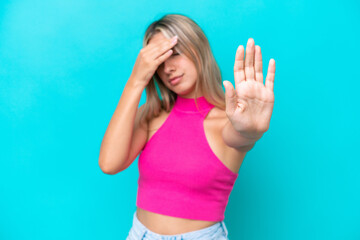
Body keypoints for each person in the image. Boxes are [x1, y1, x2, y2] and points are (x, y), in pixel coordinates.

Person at [99, 13, 275, 240]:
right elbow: (109, 163)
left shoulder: (227, 120)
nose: (168, 69)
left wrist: (250, 130)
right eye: (158, 62)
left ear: (197, 48)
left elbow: (240, 135)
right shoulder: (152, 115)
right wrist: (136, 80)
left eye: (175, 54)